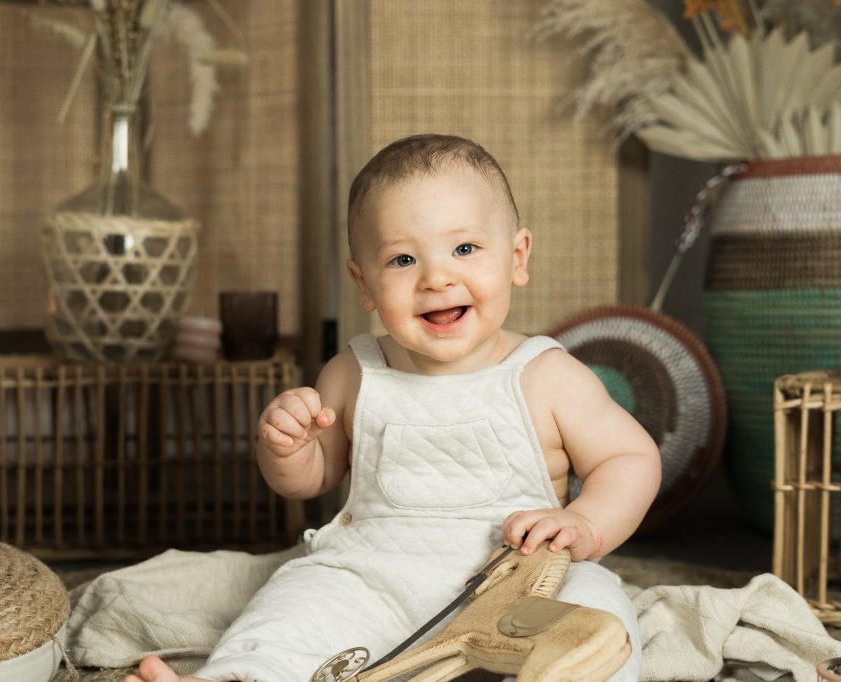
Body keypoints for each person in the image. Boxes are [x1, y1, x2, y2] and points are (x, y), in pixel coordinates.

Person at [128, 134, 660, 682]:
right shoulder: (356, 372)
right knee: (292, 605)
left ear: (517, 257)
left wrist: (584, 525)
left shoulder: (546, 375)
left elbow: (629, 458)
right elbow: (311, 477)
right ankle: (240, 676)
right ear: (364, 282)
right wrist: (288, 446)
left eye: (465, 249)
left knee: (596, 616)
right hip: (371, 578)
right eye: (403, 259)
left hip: (518, 581)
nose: (436, 277)